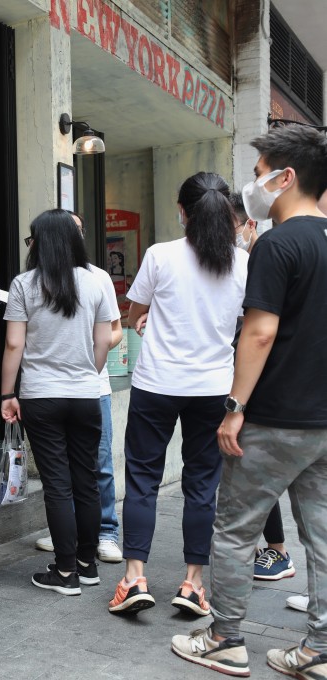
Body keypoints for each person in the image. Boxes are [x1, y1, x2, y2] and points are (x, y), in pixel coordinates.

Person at [171, 125, 327, 678]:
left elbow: (259, 334)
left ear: (286, 178)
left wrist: (234, 406)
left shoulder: (277, 245)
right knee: (322, 535)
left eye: (260, 171)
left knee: (236, 530)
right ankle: (318, 651)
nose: (253, 182)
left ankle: (225, 638)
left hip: (276, 418)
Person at [108, 172, 248, 617]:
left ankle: (133, 579)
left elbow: (135, 314)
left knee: (143, 480)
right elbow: (248, 325)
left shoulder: (160, 255)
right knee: (202, 486)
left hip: (157, 385)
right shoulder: (242, 262)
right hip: (213, 388)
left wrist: (146, 322)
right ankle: (192, 585)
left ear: (182, 211)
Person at [1, 209, 113, 596]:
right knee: (87, 481)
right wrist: (85, 373)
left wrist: (6, 393)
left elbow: (15, 344)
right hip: (86, 394)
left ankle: (65, 573)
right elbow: (104, 343)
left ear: (40, 242)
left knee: (58, 486)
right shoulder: (96, 281)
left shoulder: (23, 285)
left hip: (41, 396)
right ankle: (87, 564)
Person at [34, 211, 124, 565]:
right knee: (60, 468)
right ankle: (67, 534)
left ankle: (106, 532)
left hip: (93, 386)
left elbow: (116, 330)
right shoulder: (35, 280)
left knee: (98, 464)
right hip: (53, 389)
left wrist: (93, 350)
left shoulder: (97, 277)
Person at [228, 193, 295, 582]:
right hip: (255, 384)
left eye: (233, 229)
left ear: (249, 226)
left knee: (259, 472)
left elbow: (259, 334)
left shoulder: (265, 258)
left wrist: (237, 404)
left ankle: (279, 552)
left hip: (262, 387)